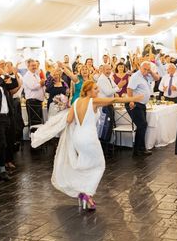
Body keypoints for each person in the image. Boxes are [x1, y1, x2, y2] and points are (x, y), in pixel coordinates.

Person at [52, 81, 142, 210]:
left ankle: (82, 191)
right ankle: (87, 194)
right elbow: (115, 99)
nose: (97, 91)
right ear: (88, 90)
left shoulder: (76, 102)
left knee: (84, 165)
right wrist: (133, 98)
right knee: (100, 165)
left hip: (78, 137)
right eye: (95, 89)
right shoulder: (93, 101)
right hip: (89, 138)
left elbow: (69, 120)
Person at [126, 61, 159, 157]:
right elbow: (129, 89)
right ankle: (138, 149)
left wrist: (150, 72)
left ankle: (140, 148)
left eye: (148, 69)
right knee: (142, 124)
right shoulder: (136, 76)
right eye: (144, 69)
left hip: (142, 104)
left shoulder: (147, 75)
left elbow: (157, 78)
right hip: (134, 104)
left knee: (142, 125)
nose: (146, 71)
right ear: (140, 68)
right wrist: (131, 101)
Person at [23, 59, 45, 127]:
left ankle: (37, 137)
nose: (34, 67)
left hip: (37, 102)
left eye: (35, 65)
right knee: (34, 123)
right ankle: (33, 137)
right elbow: (32, 86)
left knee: (38, 122)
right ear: (28, 66)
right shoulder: (27, 76)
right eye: (32, 65)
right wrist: (41, 84)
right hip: (32, 102)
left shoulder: (36, 75)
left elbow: (41, 86)